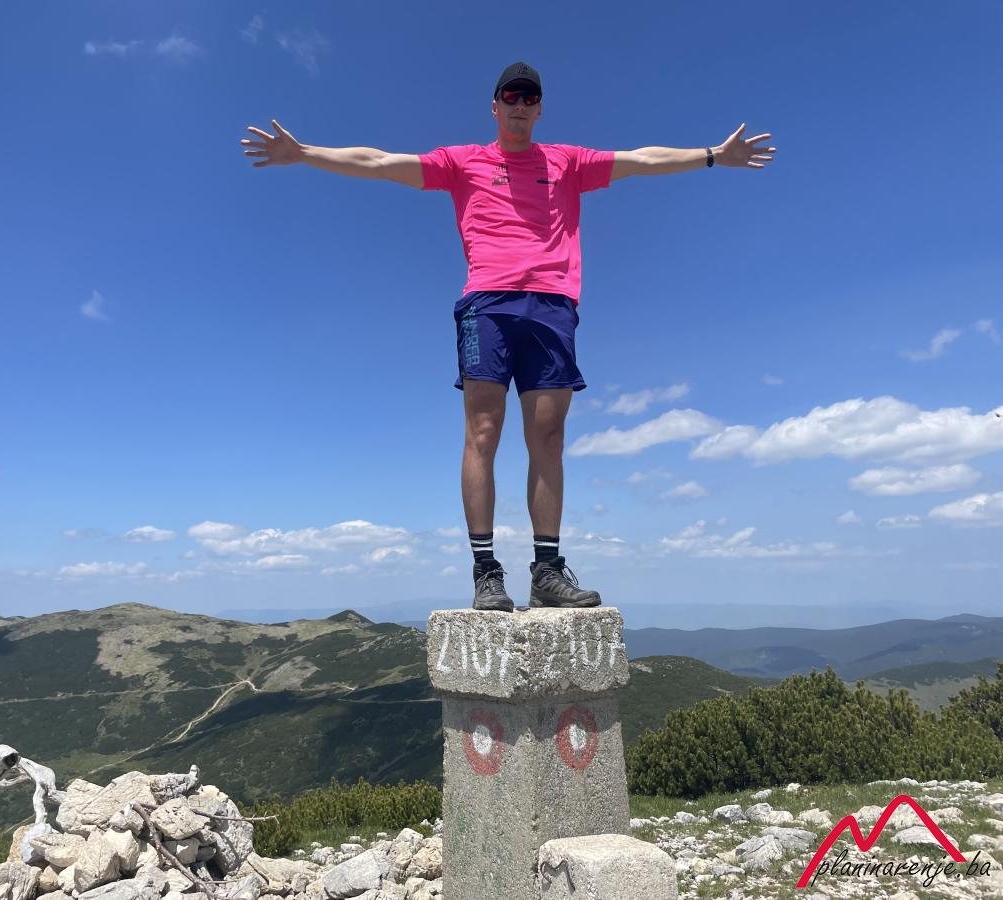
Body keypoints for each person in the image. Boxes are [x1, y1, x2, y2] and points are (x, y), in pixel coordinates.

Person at [241, 61, 776, 613]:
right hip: (488, 304)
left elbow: (642, 160)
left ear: (540, 109)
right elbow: (379, 162)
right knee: (483, 431)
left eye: (530, 97)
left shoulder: (568, 161)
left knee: (548, 436)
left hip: (552, 304)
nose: (520, 105)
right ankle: (485, 572)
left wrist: (714, 155)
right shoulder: (461, 161)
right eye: (511, 96)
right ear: (495, 106)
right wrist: (303, 153)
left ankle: (547, 571)